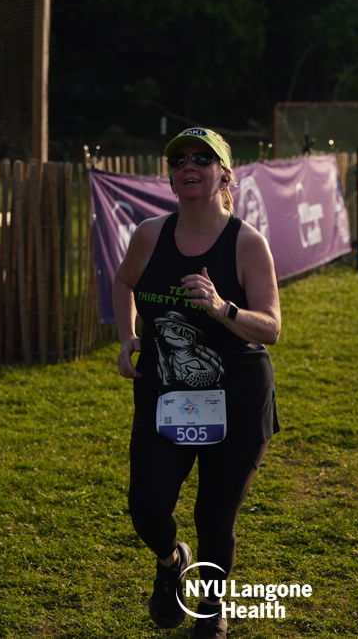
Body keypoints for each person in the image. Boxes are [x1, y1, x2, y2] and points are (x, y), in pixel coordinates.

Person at [113, 127, 281, 639]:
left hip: (238, 399)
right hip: (165, 394)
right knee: (146, 507)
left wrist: (222, 308)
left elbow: (271, 327)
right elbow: (124, 281)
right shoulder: (150, 234)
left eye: (202, 159)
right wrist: (127, 336)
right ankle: (171, 562)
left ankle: (210, 609)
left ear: (224, 176)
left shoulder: (246, 243)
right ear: (170, 177)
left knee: (214, 517)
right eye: (179, 160)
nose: (188, 166)